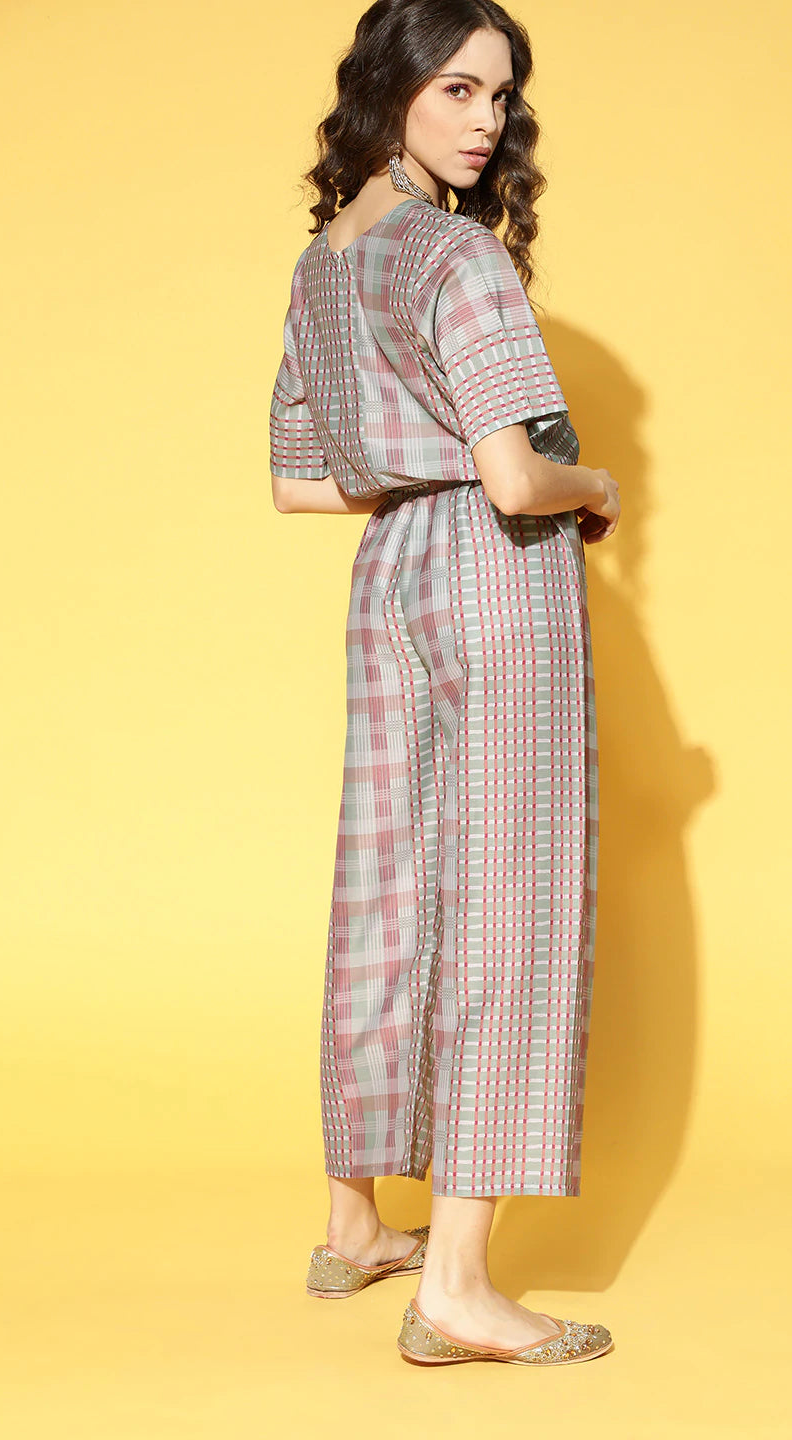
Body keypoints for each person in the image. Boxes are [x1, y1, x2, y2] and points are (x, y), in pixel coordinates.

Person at [268, 0, 619, 1367]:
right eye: (459, 89)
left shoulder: (323, 264)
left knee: (391, 880)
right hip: (492, 570)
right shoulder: (459, 255)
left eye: (501, 95)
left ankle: (354, 1223)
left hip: (391, 575)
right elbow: (517, 479)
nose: (486, 119)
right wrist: (597, 483)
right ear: (393, 88)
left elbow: (302, 484)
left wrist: (409, 471)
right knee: (508, 898)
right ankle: (458, 1289)